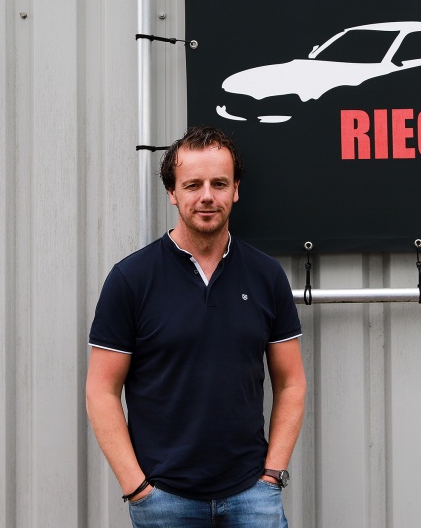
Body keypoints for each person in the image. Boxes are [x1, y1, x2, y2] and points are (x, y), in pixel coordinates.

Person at [85, 125, 306, 527]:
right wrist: (137, 488)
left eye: (219, 183)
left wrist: (271, 477)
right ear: (172, 192)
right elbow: (101, 390)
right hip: (164, 501)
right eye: (193, 185)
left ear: (235, 190)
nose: (207, 196)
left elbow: (291, 382)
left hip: (252, 498)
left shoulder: (266, 276)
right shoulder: (131, 279)